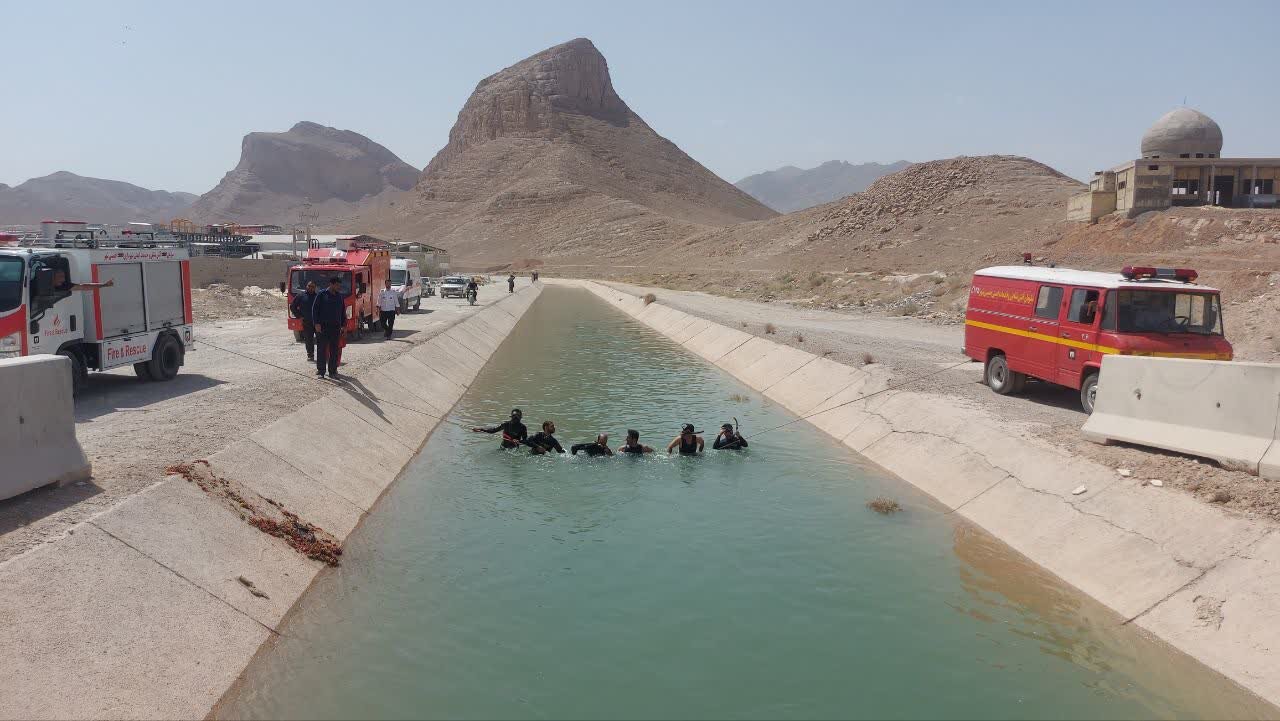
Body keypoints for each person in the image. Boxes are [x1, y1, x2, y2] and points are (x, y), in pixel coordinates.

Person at [312, 276, 346, 379]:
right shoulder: (322, 294)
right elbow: (315, 309)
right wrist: (316, 324)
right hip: (323, 327)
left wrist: (344, 325)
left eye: (339, 285)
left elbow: (342, 312)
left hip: (335, 328)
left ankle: (332, 371)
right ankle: (321, 371)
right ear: (331, 284)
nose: (339, 287)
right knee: (321, 349)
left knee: (334, 350)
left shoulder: (339, 296)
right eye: (337, 285)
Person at [290, 280, 319, 361]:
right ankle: (310, 355)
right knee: (309, 339)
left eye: (312, 287)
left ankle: (321, 356)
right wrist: (299, 316)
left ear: (315, 288)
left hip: (317, 322)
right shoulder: (301, 296)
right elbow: (293, 307)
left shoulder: (318, 296)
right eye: (309, 286)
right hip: (307, 322)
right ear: (306, 286)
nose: (310, 288)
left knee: (320, 339)